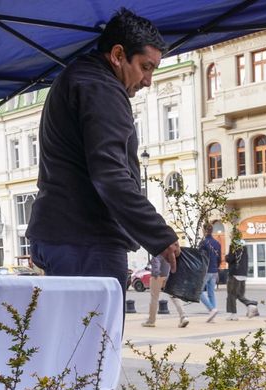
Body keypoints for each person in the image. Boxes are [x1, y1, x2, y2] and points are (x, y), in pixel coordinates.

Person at [26, 9, 180, 289]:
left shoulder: (77, 77)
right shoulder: (102, 88)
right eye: (145, 67)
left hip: (63, 235)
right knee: (95, 333)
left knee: (74, 332)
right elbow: (110, 174)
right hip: (86, 239)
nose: (148, 81)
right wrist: (160, 235)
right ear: (118, 55)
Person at [142, 254, 188, 328]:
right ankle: (183, 316)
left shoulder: (158, 248)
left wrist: (156, 273)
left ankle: (151, 321)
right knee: (174, 297)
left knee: (154, 298)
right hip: (168, 275)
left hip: (158, 276)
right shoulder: (169, 247)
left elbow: (156, 260)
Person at [225, 228, 259, 321]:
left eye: (231, 234)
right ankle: (251, 305)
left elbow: (231, 259)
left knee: (231, 294)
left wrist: (226, 257)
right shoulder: (244, 245)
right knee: (239, 294)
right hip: (243, 273)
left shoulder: (233, 245)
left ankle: (233, 314)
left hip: (234, 273)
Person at [201, 225, 222, 322]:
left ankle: (211, 309)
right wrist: (216, 269)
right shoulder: (217, 243)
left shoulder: (203, 243)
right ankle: (212, 315)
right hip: (214, 270)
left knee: (199, 292)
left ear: (204, 231)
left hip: (206, 271)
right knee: (211, 293)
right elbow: (219, 259)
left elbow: (200, 257)